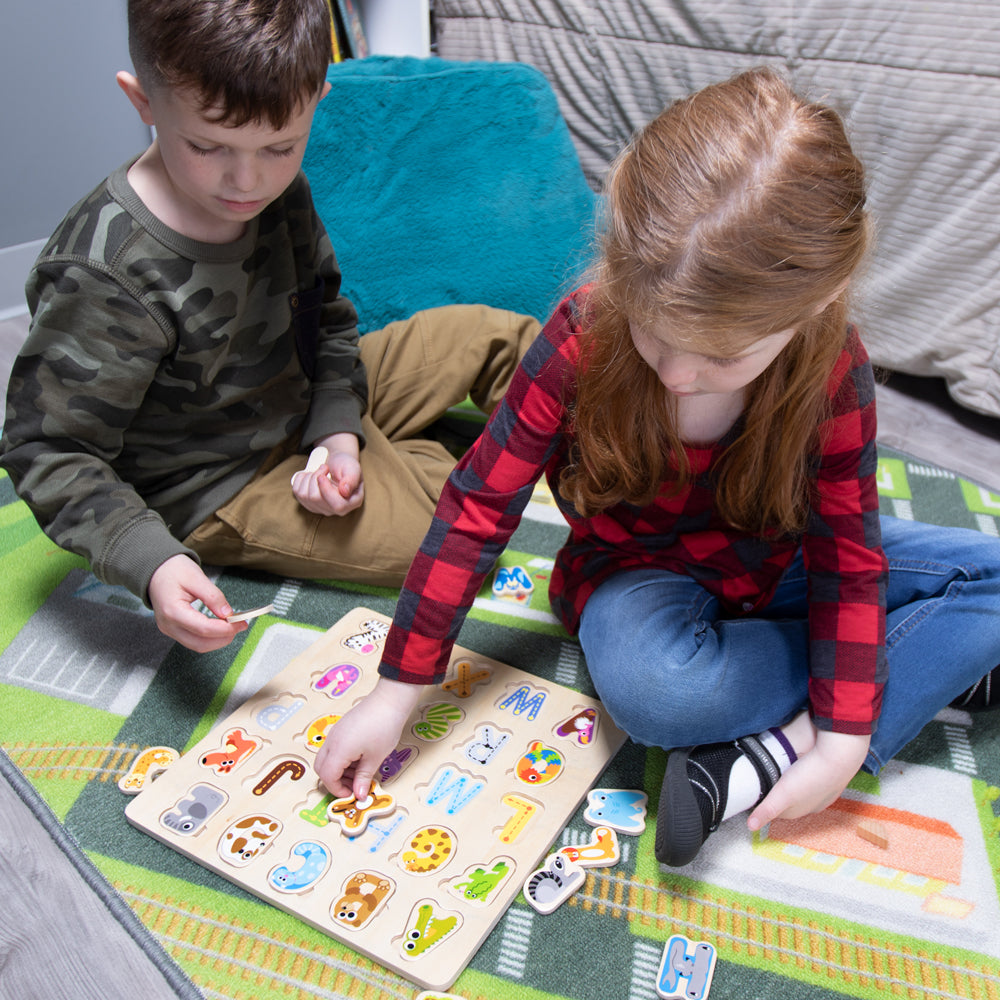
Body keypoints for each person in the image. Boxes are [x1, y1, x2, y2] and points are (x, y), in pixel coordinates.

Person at [314, 67, 1000, 866]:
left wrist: (840, 742)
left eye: (721, 356)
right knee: (661, 699)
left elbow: (848, 561)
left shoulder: (831, 366)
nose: (677, 374)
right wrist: (398, 690)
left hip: (783, 560)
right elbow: (476, 508)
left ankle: (767, 756)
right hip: (637, 575)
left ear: (815, 306)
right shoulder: (583, 333)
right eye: (653, 331)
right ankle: (927, 663)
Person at [0, 0, 538, 653]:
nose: (246, 180)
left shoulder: (278, 190)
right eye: (207, 146)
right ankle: (418, 463)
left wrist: (338, 434)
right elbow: (49, 449)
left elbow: (331, 319)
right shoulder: (106, 275)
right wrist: (153, 562)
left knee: (501, 335)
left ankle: (414, 453)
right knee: (451, 533)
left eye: (281, 145)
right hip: (222, 483)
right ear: (142, 102)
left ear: (315, 100)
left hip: (306, 394)